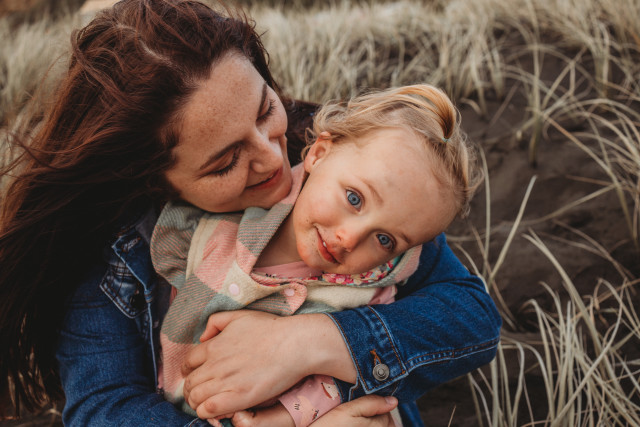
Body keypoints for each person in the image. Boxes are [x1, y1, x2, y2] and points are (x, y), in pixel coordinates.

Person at [0, 1, 502, 426]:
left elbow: (470, 316)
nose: (271, 156)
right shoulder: (110, 249)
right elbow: (105, 410)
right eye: (226, 161)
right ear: (154, 181)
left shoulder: (348, 169)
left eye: (265, 110)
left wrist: (313, 342)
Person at [152, 84, 479, 427]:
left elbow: (349, 380)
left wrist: (285, 417)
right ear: (320, 153)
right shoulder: (211, 222)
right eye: (354, 198)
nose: (349, 238)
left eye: (384, 239)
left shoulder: (369, 294)